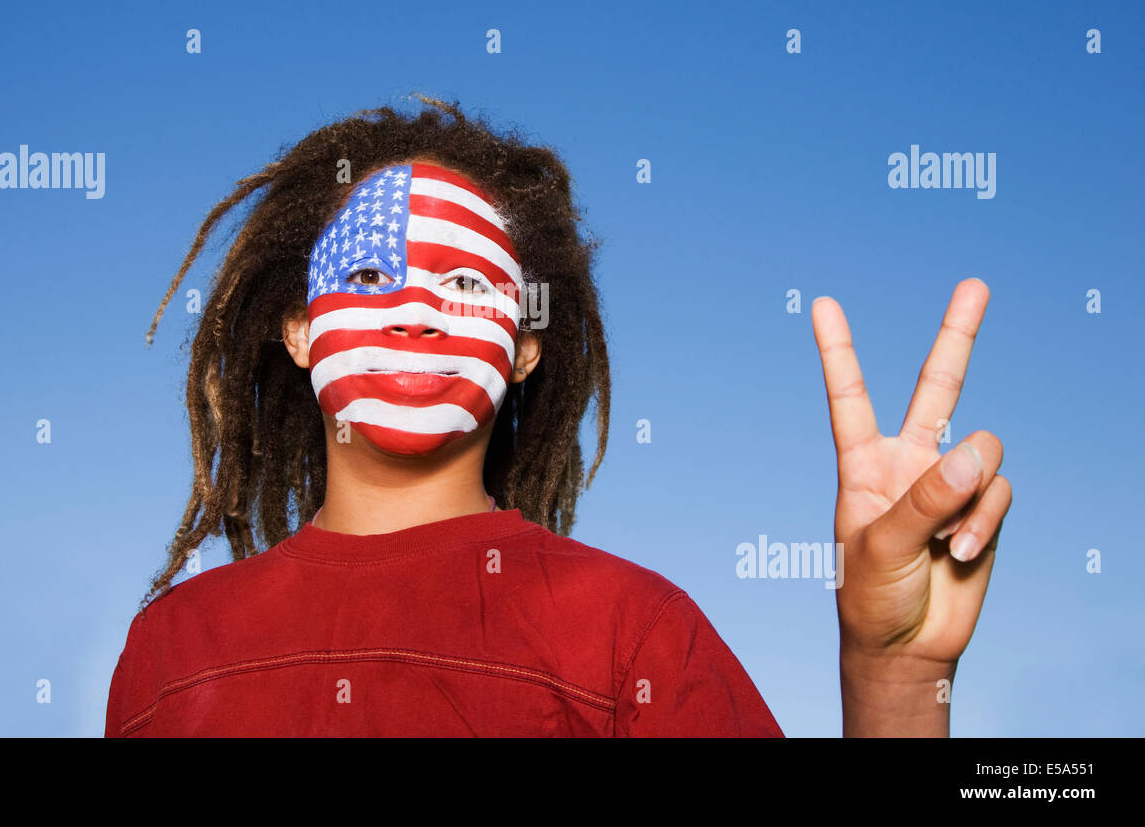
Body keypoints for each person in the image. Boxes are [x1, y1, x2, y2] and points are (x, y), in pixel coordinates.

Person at [104, 95, 1010, 737]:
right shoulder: (172, 648)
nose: (416, 311)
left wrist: (895, 680)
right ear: (300, 332)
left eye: (463, 282)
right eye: (373, 275)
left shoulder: (632, 630)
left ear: (525, 346)